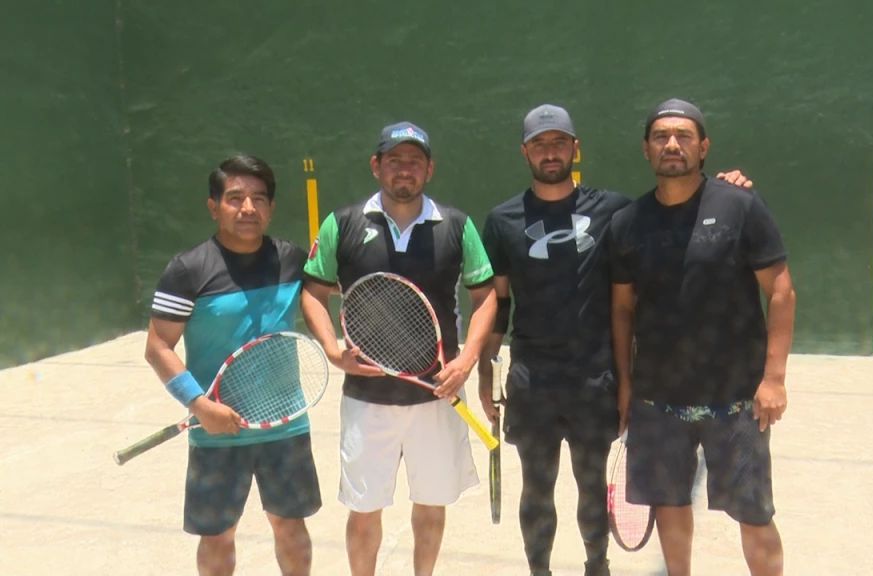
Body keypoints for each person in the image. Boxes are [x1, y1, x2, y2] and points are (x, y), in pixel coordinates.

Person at [477, 104, 756, 576]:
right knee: (537, 488)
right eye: (540, 144)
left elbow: (677, 207)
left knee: (591, 486)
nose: (550, 153)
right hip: (532, 381)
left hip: (594, 379)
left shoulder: (615, 211)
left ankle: (596, 567)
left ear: (575, 148)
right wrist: (486, 372)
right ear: (525, 151)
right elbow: (498, 305)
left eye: (559, 142)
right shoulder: (503, 220)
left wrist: (726, 188)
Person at [608, 98, 796, 576]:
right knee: (670, 506)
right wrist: (627, 386)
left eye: (684, 136)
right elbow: (623, 307)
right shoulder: (628, 224)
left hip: (735, 399)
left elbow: (780, 290)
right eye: (661, 137)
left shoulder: (740, 206)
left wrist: (773, 378)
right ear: (646, 150)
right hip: (658, 400)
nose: (672, 144)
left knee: (754, 515)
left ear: (704, 147)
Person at [300, 121, 497, 576]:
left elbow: (485, 296)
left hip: (437, 395)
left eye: (414, 162)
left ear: (429, 169)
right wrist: (333, 350)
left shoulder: (457, 225)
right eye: (394, 161)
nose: (403, 170)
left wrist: (467, 360)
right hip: (367, 401)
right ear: (376, 167)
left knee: (431, 505)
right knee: (365, 509)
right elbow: (313, 291)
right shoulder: (342, 224)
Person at [144, 154, 322, 576]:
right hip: (215, 433)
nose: (248, 208)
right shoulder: (187, 270)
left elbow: (326, 293)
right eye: (235, 198)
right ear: (214, 207)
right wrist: (201, 406)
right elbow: (157, 347)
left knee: (290, 526)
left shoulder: (292, 260)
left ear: (271, 208)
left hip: (285, 425)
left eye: (259, 199)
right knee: (219, 535)